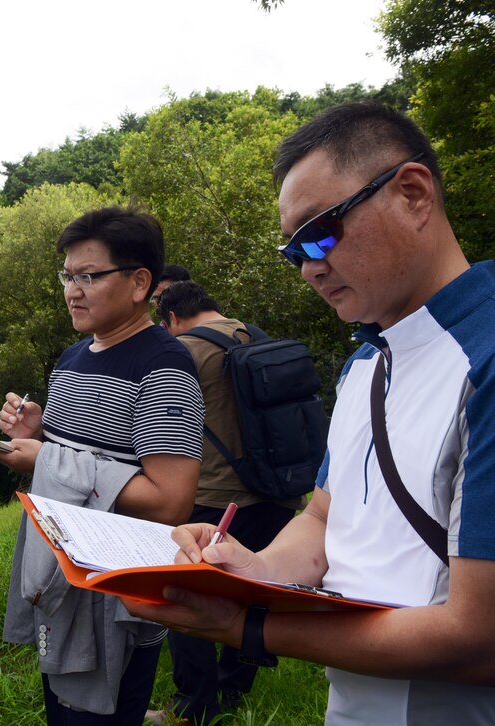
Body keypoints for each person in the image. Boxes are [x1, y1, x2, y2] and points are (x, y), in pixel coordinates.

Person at [122, 101, 495, 725]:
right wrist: (252, 567)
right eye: (292, 251)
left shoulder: (484, 361)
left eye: (320, 233)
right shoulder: (363, 366)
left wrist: (248, 624)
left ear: (412, 193)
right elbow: (325, 515)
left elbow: (479, 637)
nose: (309, 269)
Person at [0, 206, 205, 724]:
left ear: (139, 283)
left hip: (116, 593)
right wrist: (34, 435)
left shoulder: (163, 368)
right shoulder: (74, 356)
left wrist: (50, 459)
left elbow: (170, 500)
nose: (72, 290)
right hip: (63, 577)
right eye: (67, 275)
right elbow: (77, 457)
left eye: (88, 276)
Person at [148, 280, 303, 725]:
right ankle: (233, 688)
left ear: (172, 318)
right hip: (280, 494)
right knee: (251, 593)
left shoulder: (184, 354)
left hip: (216, 498)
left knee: (185, 598)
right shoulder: (256, 337)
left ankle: (193, 706)